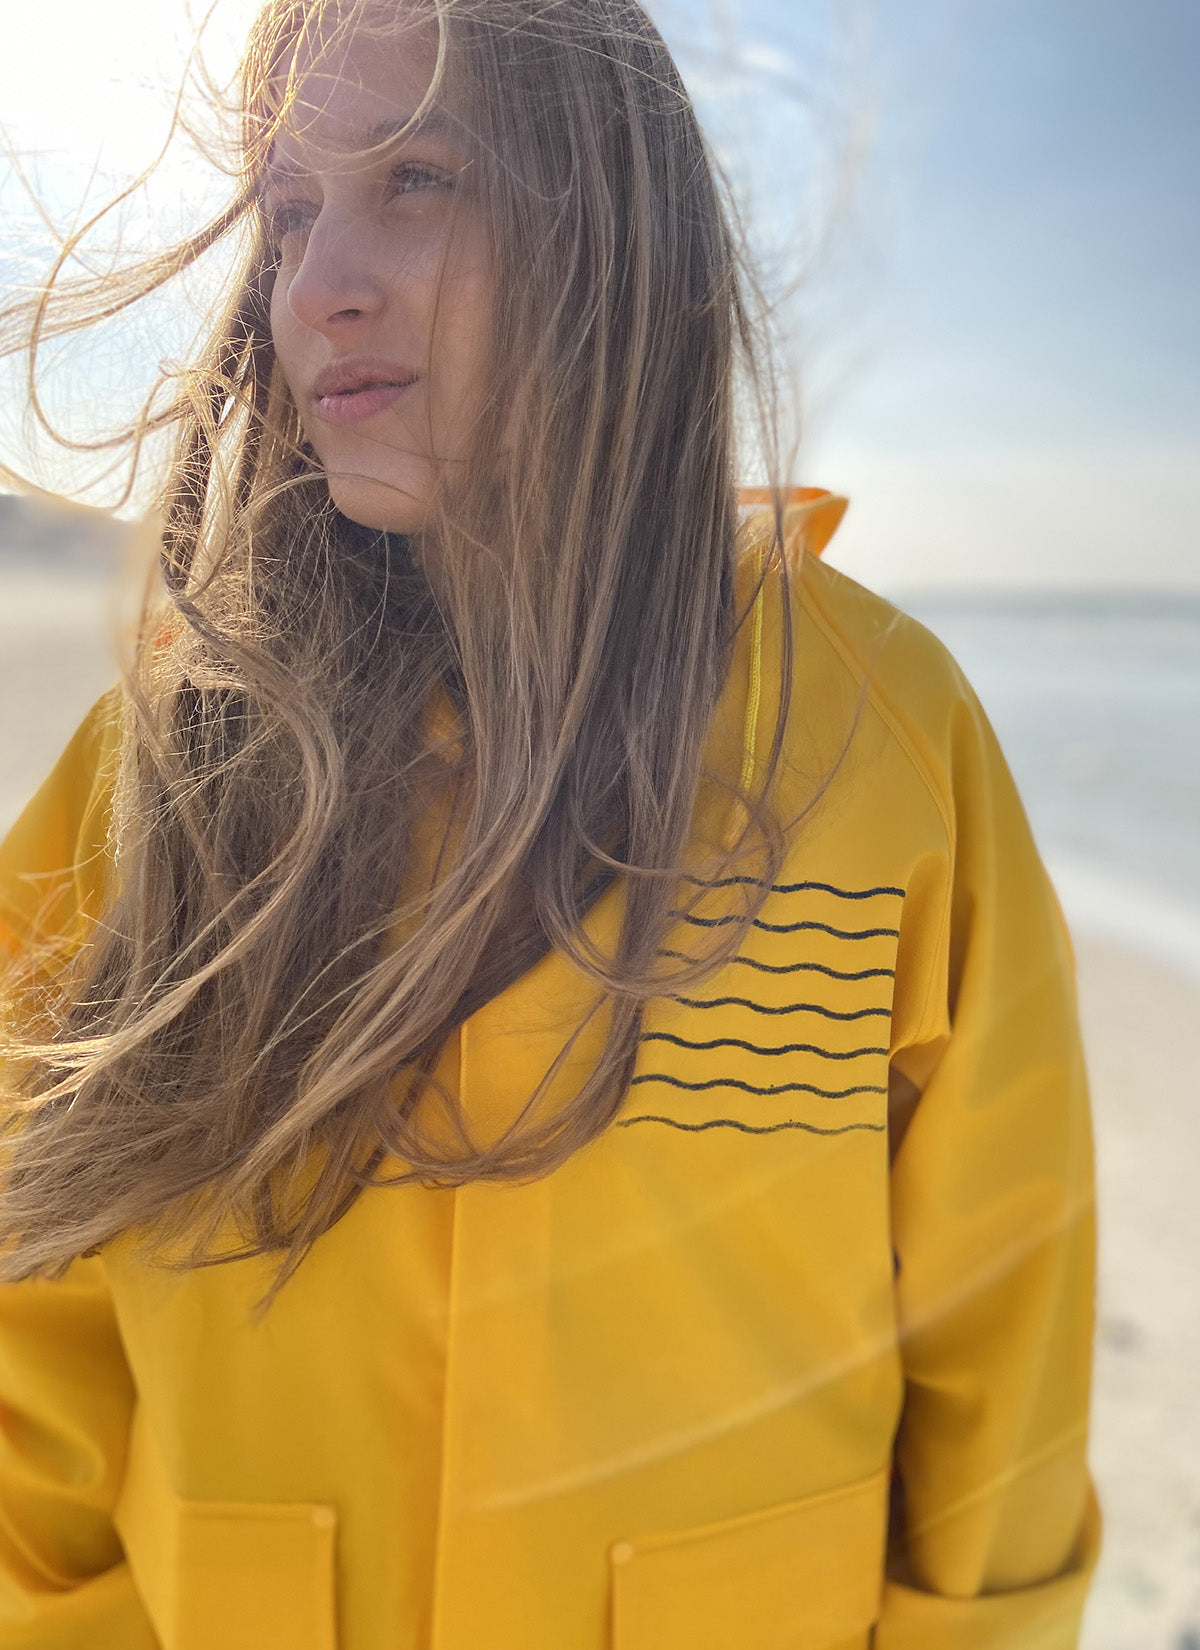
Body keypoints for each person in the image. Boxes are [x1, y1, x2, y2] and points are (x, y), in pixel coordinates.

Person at [0, 1, 1101, 1646]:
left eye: (416, 178)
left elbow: (1002, 1323)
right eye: (290, 213)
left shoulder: (879, 734)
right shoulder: (165, 760)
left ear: (615, 226)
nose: (319, 284)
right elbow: (34, 1291)